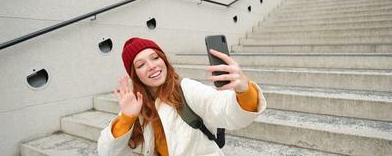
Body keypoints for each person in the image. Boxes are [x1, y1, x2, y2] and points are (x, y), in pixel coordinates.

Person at [97, 37, 266, 156]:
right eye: (141, 64)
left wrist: (244, 89)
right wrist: (127, 117)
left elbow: (229, 112)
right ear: (135, 75)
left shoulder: (187, 89)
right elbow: (106, 152)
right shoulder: (136, 104)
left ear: (164, 60)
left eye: (155, 57)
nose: (152, 66)